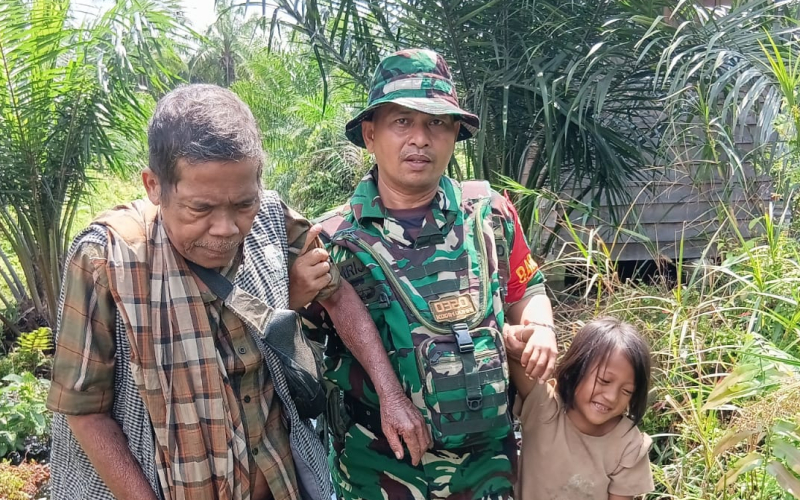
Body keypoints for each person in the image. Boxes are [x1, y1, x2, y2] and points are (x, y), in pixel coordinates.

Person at [46, 84, 427, 500]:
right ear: (154, 185)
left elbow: (337, 293)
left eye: (243, 205)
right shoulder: (107, 259)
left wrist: (391, 395)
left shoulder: (272, 217)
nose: (226, 229)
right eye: (200, 208)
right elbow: (85, 411)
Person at [303, 48, 558, 499]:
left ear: (455, 133)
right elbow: (301, 341)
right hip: (378, 472)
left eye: (437, 123)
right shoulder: (333, 238)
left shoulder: (490, 214)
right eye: (402, 122)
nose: (420, 139)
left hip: (488, 469)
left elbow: (527, 287)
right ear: (370, 134)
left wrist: (539, 328)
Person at [506, 317, 655, 500]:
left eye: (626, 391)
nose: (612, 397)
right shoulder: (543, 406)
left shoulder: (629, 445)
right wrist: (539, 332)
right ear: (575, 369)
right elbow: (507, 339)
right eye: (604, 381)